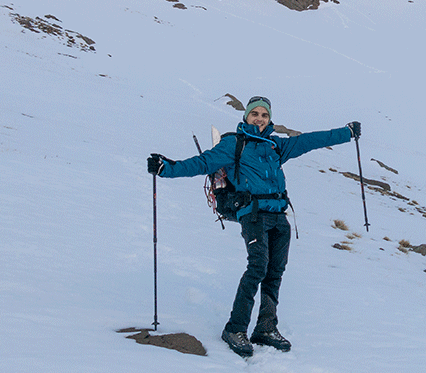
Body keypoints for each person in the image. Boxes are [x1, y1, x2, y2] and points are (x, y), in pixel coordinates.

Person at [148, 95, 360, 357]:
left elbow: (310, 141)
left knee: (275, 272)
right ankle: (235, 328)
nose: (259, 119)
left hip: (279, 217)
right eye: (255, 114)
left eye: (264, 115)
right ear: (246, 116)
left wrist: (346, 133)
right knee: (257, 267)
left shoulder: (275, 145)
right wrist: (166, 169)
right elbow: (202, 163)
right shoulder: (233, 144)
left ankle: (265, 328)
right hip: (254, 215)